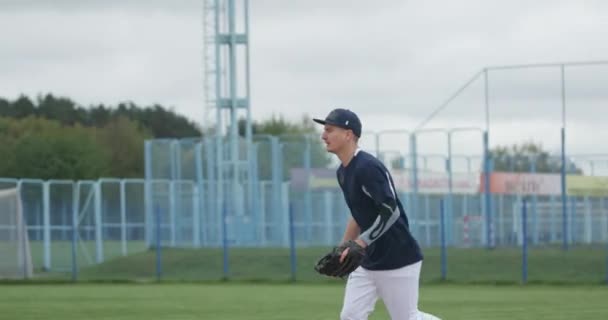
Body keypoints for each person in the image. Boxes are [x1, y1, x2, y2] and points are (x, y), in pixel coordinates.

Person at [313, 108, 440, 320]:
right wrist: (344, 246)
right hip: (368, 260)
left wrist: (360, 243)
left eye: (329, 130)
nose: (324, 136)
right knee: (350, 316)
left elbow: (391, 211)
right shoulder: (343, 171)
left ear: (348, 134)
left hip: (398, 257)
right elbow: (358, 213)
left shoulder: (367, 167)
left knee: (407, 318)